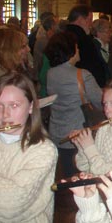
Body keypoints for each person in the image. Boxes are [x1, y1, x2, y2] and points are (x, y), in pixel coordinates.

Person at [0, 72, 58, 223]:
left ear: (31, 107)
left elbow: (10, 204)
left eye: (14, 105)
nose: (5, 114)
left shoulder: (43, 150)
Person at [45, 31, 103, 177]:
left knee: (65, 173)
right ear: (70, 50)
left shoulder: (51, 73)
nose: (78, 50)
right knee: (82, 174)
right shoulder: (82, 75)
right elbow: (100, 101)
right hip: (78, 132)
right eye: (76, 47)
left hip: (57, 131)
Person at [66, 4, 107, 87]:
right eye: (90, 20)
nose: (91, 24)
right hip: (85, 86)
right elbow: (92, 66)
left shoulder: (61, 36)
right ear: (80, 19)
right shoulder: (83, 40)